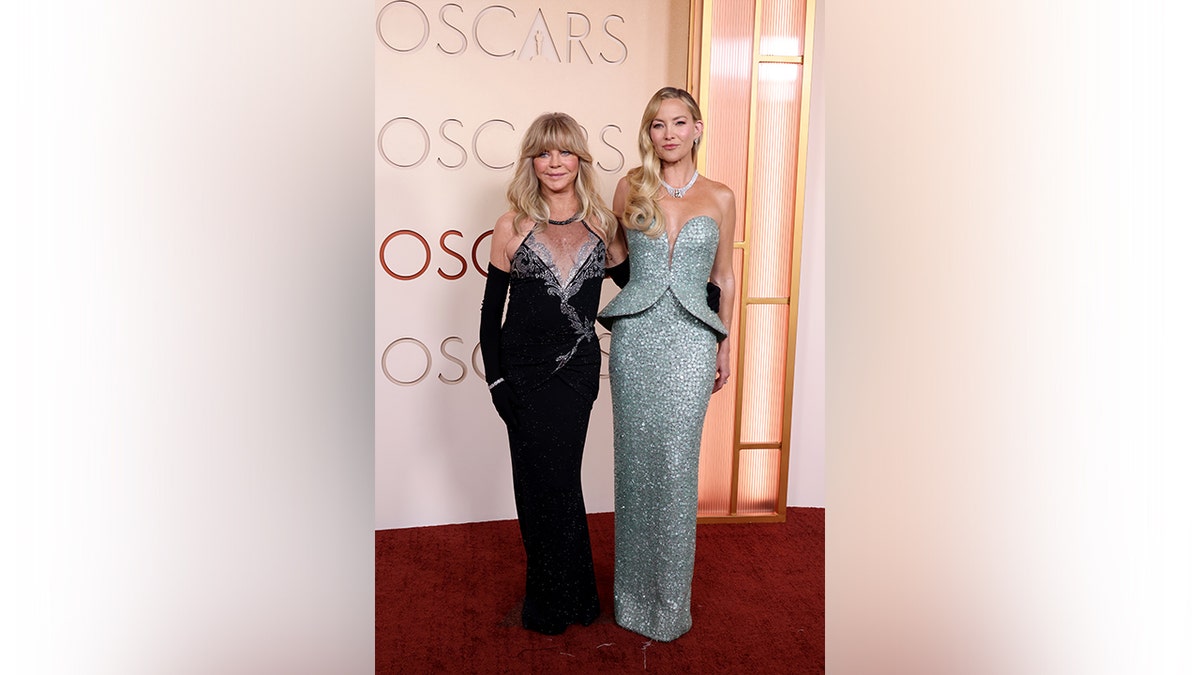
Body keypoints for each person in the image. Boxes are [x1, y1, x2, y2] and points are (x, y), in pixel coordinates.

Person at [478, 112, 627, 635]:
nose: (554, 162)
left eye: (564, 152)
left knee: (559, 481)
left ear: (580, 159)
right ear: (532, 162)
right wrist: (496, 381)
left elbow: (638, 287)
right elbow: (489, 313)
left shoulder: (605, 226)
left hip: (576, 373)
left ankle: (571, 596)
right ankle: (555, 598)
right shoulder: (511, 225)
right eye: (543, 153)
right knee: (535, 484)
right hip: (521, 374)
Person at [597, 86, 736, 642]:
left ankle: (670, 604)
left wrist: (726, 344)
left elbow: (724, 277)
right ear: (648, 132)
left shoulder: (721, 195)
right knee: (634, 464)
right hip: (636, 335)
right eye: (658, 124)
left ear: (698, 128)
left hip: (694, 340)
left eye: (680, 122)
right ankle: (631, 601)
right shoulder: (630, 185)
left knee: (678, 467)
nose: (669, 133)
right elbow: (613, 255)